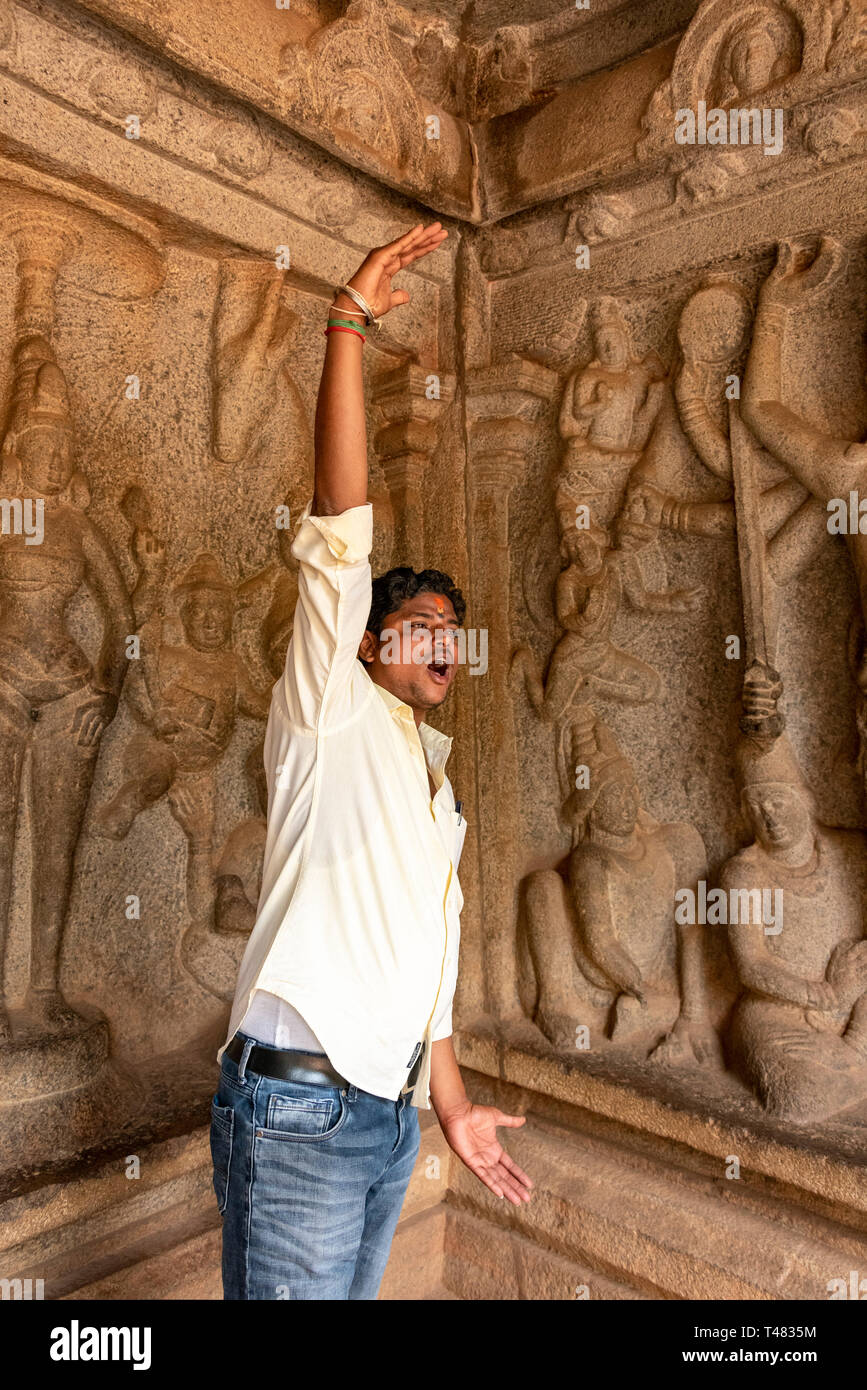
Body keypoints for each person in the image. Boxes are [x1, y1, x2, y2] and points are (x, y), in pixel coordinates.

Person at [211, 223, 533, 1300]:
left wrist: (449, 1103)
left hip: (386, 1118)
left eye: (455, 627)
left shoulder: (430, 780)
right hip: (300, 1111)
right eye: (422, 621)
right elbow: (339, 527)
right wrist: (347, 323)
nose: (444, 638)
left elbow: (424, 983)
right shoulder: (329, 706)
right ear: (364, 639)